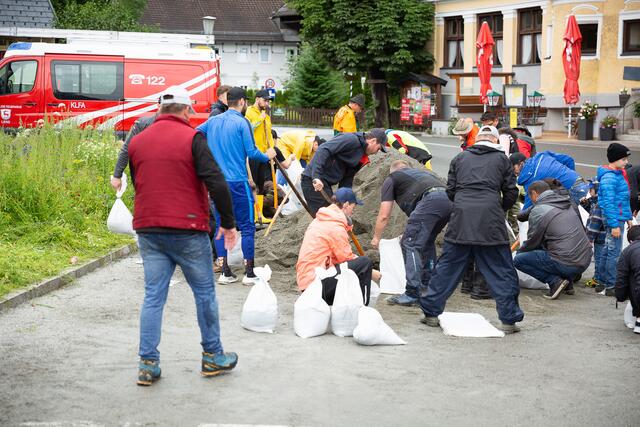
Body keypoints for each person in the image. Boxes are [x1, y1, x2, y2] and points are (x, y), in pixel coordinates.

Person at [127, 86, 239, 385]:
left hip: (149, 229)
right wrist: (228, 223)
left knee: (153, 296)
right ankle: (212, 357)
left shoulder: (137, 142)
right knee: (204, 293)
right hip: (187, 229)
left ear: (160, 109)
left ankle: (147, 364)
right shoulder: (193, 138)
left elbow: (139, 182)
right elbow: (216, 181)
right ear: (187, 110)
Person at [419, 124, 523, 334]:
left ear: (477, 140)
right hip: (491, 222)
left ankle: (430, 313)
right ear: (494, 141)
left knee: (448, 267)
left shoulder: (460, 158)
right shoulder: (502, 160)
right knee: (501, 270)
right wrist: (496, 208)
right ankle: (509, 320)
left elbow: (450, 190)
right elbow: (511, 193)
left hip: (461, 220)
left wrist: (463, 205)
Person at [197, 87, 277, 285]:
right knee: (248, 228)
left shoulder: (213, 121)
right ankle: (249, 273)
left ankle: (225, 272)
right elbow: (251, 152)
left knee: (221, 226)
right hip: (237, 183)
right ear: (241, 102)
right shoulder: (243, 122)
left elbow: (195, 134)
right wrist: (268, 155)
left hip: (216, 183)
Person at [370, 160, 452, 306]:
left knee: (410, 244)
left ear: (393, 171)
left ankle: (412, 293)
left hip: (430, 200)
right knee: (426, 242)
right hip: (448, 200)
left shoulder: (392, 178)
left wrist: (376, 238)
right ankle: (428, 287)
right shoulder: (422, 175)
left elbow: (384, 214)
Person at [296, 187, 381, 305]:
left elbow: (338, 259)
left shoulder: (322, 220)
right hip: (315, 284)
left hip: (308, 281)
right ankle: (362, 307)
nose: (353, 210)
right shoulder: (335, 226)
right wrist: (372, 273)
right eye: (353, 206)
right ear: (346, 205)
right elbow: (346, 258)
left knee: (356, 266)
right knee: (364, 263)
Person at [513, 181, 593, 300]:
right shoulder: (567, 202)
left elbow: (533, 241)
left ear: (534, 194)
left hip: (567, 261)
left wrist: (519, 253)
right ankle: (568, 284)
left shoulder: (540, 209)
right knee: (556, 245)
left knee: (519, 260)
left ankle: (554, 282)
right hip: (585, 258)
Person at [301, 128, 388, 216]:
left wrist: (346, 200)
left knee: (335, 214)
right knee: (328, 217)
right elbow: (323, 149)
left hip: (325, 184)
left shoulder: (361, 156)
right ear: (373, 141)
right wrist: (316, 176)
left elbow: (347, 178)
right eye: (378, 148)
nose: (377, 152)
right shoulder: (351, 139)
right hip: (313, 182)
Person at [596, 143, 633, 296]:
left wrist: (629, 217)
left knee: (608, 248)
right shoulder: (609, 177)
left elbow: (623, 199)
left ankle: (602, 281)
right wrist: (614, 225)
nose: (626, 162)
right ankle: (611, 285)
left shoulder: (618, 173)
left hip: (618, 217)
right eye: (623, 159)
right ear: (615, 159)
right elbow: (609, 203)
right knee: (614, 252)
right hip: (613, 219)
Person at [510, 151, 590, 210]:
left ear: (521, 163)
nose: (513, 172)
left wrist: (519, 218)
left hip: (573, 191)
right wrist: (571, 177)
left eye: (513, 168)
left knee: (570, 222)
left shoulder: (529, 179)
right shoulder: (542, 155)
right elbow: (569, 160)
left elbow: (528, 206)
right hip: (579, 182)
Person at [111, 102, 159, 191]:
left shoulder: (142, 123)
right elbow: (127, 149)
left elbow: (126, 149)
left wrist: (117, 175)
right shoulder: (142, 124)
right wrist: (117, 175)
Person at [245, 89, 277, 194]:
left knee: (261, 184)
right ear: (257, 99)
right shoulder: (249, 112)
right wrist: (260, 118)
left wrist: (271, 149)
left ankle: (261, 208)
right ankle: (253, 208)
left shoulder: (266, 116)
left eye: (268, 101)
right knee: (252, 184)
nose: (267, 103)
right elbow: (248, 129)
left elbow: (269, 136)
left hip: (264, 154)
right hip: (253, 154)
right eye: (265, 100)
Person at [615, 224, 640, 334]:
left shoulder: (627, 252)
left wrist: (620, 296)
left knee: (632, 277)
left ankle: (639, 320)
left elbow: (621, 279)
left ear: (630, 241)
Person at [582, 181, 607, 289]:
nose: (588, 191)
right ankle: (598, 278)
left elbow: (595, 222)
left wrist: (589, 238)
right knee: (601, 257)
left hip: (600, 236)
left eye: (590, 190)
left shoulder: (598, 204)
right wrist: (586, 204)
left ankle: (597, 279)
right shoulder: (598, 201)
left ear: (596, 191)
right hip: (603, 235)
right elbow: (592, 210)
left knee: (599, 258)